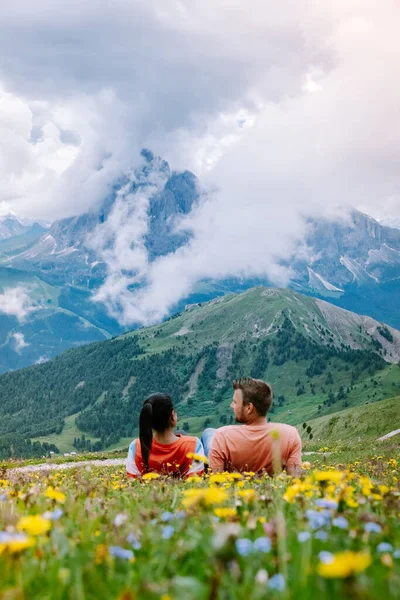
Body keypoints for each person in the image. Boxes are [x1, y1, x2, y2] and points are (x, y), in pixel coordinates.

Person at [205, 378, 302, 476]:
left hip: (233, 480)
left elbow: (214, 480)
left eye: (235, 402)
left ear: (248, 408)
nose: (231, 406)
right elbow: (295, 477)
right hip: (266, 486)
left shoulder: (222, 435)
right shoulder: (291, 434)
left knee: (208, 433)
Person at [126, 393, 206, 478]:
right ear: (172, 416)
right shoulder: (194, 444)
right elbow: (196, 481)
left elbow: (132, 481)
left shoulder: (135, 447)